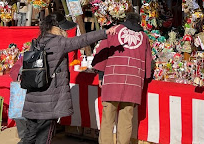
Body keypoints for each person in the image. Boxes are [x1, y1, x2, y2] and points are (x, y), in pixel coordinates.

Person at [21, 15, 116, 144]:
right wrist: (104, 32)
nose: (65, 32)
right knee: (44, 138)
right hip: (49, 103)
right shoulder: (59, 42)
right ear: (56, 28)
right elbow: (82, 40)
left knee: (29, 137)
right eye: (63, 29)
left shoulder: (37, 42)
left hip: (32, 100)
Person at [92, 12, 152, 144]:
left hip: (113, 80)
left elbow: (102, 52)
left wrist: (101, 75)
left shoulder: (114, 31)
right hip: (133, 82)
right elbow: (148, 64)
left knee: (108, 119)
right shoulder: (144, 37)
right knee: (126, 119)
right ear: (139, 22)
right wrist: (146, 78)